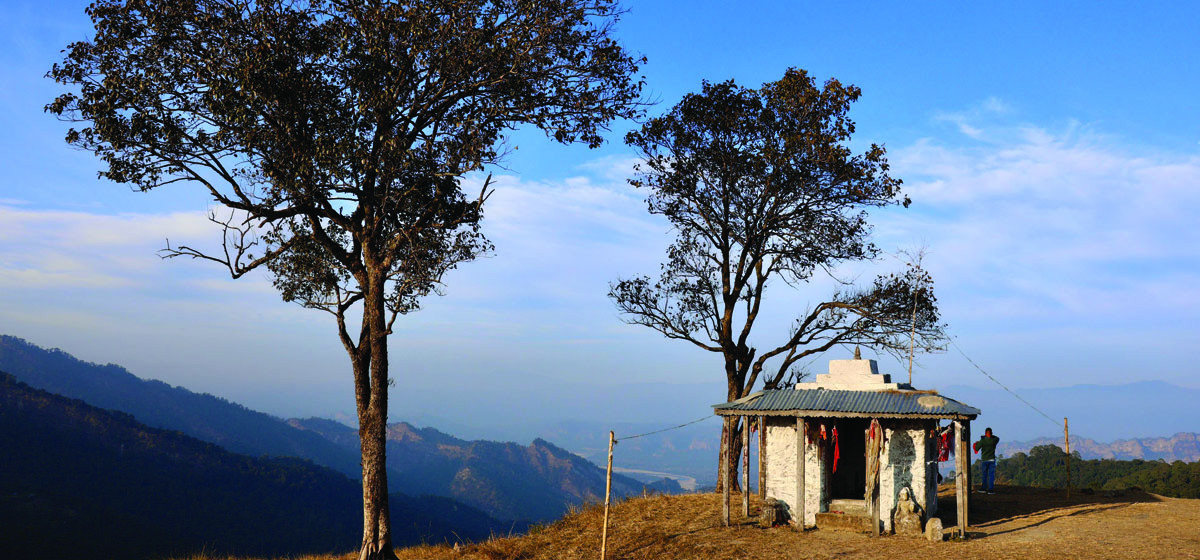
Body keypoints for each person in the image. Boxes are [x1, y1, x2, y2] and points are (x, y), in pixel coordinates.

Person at [973, 427, 1000, 494]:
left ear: (985, 433)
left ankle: (984, 488)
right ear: (991, 433)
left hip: (984, 460)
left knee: (984, 475)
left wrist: (983, 438)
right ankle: (990, 489)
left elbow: (976, 448)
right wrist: (990, 436)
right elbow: (997, 438)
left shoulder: (983, 441)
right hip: (992, 460)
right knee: (991, 475)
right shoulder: (994, 440)